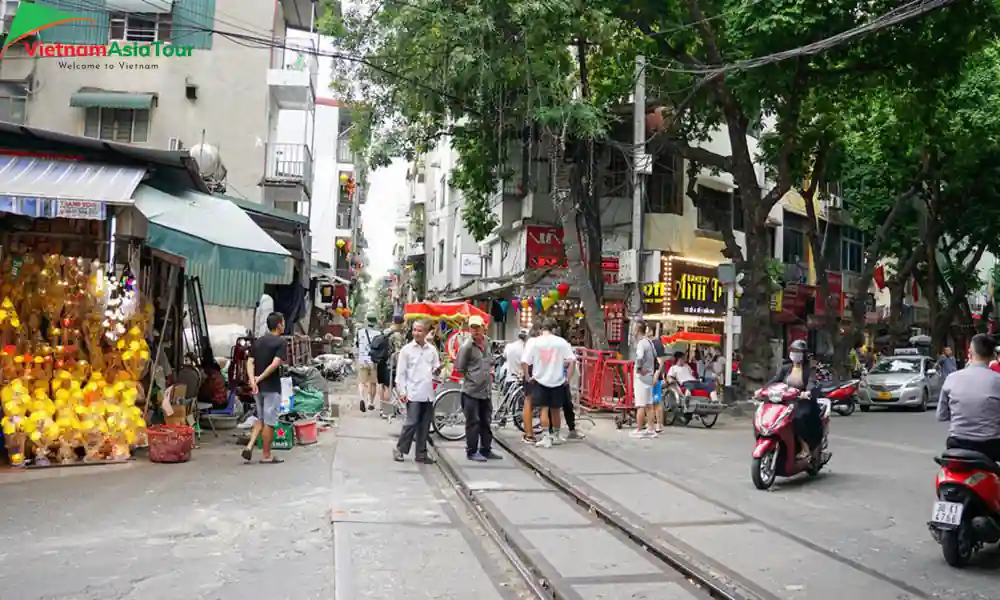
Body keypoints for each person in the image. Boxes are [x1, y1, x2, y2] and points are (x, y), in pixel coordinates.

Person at [937, 334, 1000, 461]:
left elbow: (941, 415)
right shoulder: (997, 380)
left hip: (957, 443)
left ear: (970, 353)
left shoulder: (952, 378)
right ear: (993, 355)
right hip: (991, 445)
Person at [522, 318, 576, 448]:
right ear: (555, 329)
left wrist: (528, 376)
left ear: (542, 329)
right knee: (556, 410)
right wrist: (567, 378)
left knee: (543, 410)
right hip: (557, 381)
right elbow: (572, 361)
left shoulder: (534, 342)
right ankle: (555, 436)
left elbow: (524, 362)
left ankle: (546, 437)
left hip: (540, 380)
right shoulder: (561, 342)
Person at [241, 312, 287, 464]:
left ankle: (249, 446)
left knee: (260, 419)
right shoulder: (280, 342)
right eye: (283, 322)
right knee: (269, 422)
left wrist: (253, 380)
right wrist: (260, 378)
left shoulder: (258, 341)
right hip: (271, 387)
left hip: (257, 389)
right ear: (279, 325)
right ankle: (266, 455)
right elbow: (275, 364)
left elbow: (250, 362)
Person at [393, 320, 441, 464]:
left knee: (425, 424)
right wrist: (402, 391)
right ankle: (400, 449)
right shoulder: (406, 350)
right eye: (414, 330)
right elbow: (400, 373)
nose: (416, 333)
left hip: (427, 393)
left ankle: (421, 453)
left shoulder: (432, 350)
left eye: (420, 331)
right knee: (412, 422)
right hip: (412, 392)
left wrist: (437, 371)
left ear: (426, 333)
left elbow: (436, 368)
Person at [455, 315, 499, 462]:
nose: (475, 331)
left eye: (477, 327)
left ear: (483, 328)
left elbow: (490, 360)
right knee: (473, 422)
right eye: (472, 328)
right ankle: (471, 451)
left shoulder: (488, 342)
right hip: (471, 391)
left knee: (486, 421)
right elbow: (459, 368)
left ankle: (486, 449)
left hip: (485, 390)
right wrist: (474, 376)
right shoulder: (466, 346)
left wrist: (489, 371)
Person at [769, 339, 822, 460]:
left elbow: (812, 383)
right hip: (785, 401)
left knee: (796, 418)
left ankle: (805, 447)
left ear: (804, 354)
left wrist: (807, 392)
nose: (795, 353)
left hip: (803, 402)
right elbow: (775, 381)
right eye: (793, 351)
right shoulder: (786, 368)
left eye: (798, 351)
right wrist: (762, 391)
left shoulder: (809, 369)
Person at [631, 322, 658, 439]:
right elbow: (655, 355)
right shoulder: (649, 342)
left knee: (641, 405)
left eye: (633, 328)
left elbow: (639, 357)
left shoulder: (641, 343)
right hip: (650, 376)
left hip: (642, 377)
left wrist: (638, 369)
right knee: (649, 404)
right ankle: (651, 428)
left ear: (637, 330)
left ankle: (638, 429)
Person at [354, 315, 381, 412]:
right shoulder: (379, 334)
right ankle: (371, 402)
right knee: (372, 383)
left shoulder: (360, 332)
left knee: (361, 382)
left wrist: (356, 357)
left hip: (362, 360)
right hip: (373, 361)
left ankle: (362, 398)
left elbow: (356, 346)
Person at [519, 326, 541, 444]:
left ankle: (529, 433)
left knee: (529, 402)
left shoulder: (530, 343)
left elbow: (524, 361)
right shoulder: (542, 342)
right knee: (544, 403)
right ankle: (548, 433)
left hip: (532, 370)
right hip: (542, 372)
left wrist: (527, 376)